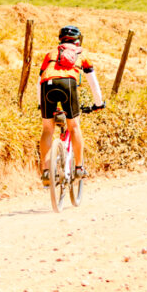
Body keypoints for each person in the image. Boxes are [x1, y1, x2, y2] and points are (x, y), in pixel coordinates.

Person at [38, 25, 104, 186]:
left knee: (47, 129)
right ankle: (79, 167)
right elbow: (93, 83)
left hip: (47, 85)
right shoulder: (82, 54)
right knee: (73, 127)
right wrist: (98, 104)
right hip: (68, 85)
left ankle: (46, 171)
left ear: (60, 40)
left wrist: (41, 104)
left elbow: (39, 81)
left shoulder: (50, 54)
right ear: (77, 40)